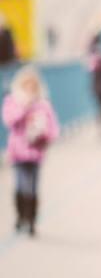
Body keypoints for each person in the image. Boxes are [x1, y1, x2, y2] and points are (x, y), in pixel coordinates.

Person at [4, 66, 59, 237]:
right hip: (18, 152)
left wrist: (46, 136)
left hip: (35, 152)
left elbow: (53, 128)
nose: (29, 90)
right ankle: (21, 216)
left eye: (32, 86)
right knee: (21, 185)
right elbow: (9, 120)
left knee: (33, 187)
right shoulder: (13, 101)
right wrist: (24, 107)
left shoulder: (43, 105)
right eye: (26, 86)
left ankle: (32, 220)